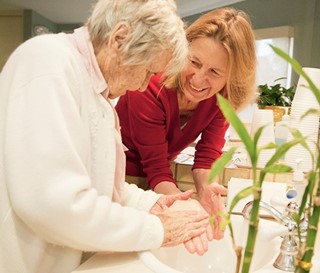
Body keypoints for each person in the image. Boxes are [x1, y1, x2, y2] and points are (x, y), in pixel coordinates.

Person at [0, 1, 212, 273]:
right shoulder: (47, 64)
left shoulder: (96, 93)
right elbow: (53, 204)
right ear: (119, 39)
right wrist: (158, 228)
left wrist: (153, 203)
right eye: (148, 71)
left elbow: (98, 186)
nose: (145, 85)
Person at [115, 7, 257, 240]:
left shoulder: (223, 99)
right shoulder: (150, 85)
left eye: (214, 72)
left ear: (231, 77)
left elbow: (206, 157)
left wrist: (207, 189)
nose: (199, 79)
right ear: (182, 51)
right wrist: (184, 207)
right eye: (194, 62)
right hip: (121, 181)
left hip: (158, 182)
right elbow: (157, 168)